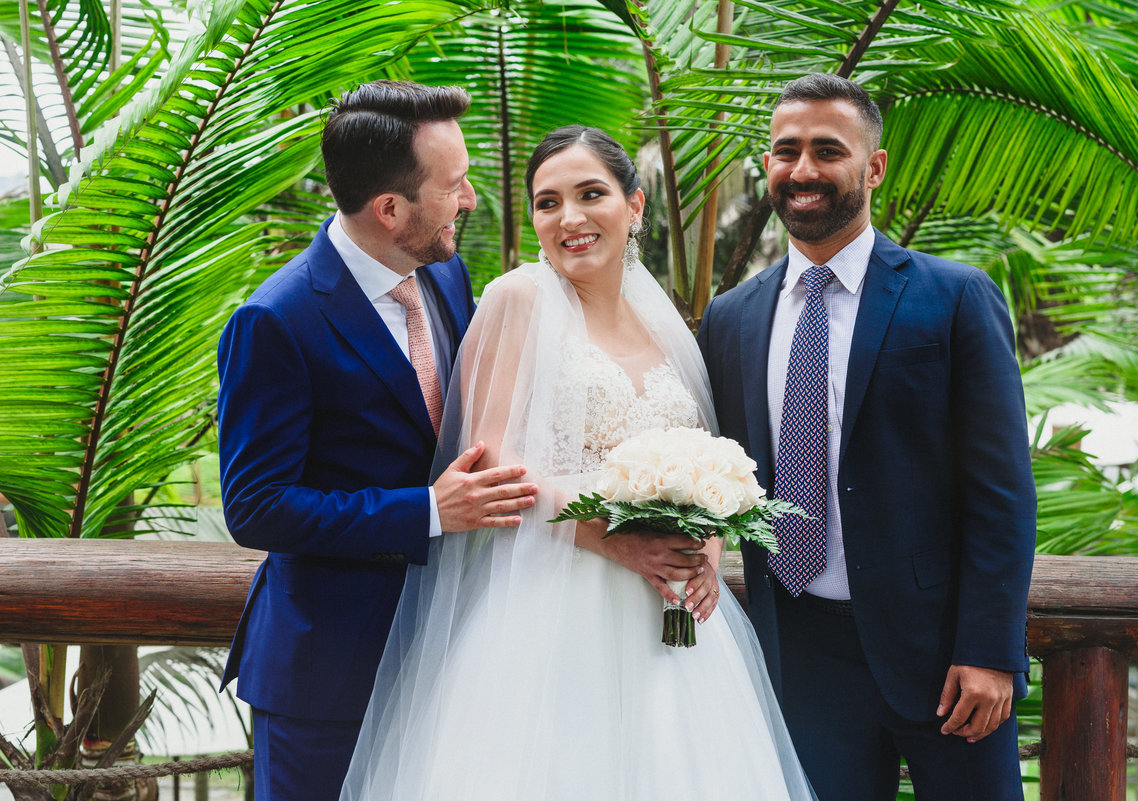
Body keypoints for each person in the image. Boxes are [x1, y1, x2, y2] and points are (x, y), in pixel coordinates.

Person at [339, 126, 817, 801]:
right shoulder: (518, 299)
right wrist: (613, 537)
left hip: (672, 619)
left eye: (591, 194)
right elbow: (494, 463)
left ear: (635, 205)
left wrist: (705, 555)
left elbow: (708, 461)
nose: (569, 218)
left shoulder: (667, 326)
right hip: (551, 606)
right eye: (548, 202)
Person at [698, 73, 1037, 800]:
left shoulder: (955, 295)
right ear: (768, 163)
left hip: (945, 657)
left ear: (874, 167)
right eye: (786, 151)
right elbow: (722, 478)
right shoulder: (730, 318)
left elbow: (1002, 492)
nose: (803, 169)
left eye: (828, 150)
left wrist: (989, 650)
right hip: (801, 658)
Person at [216, 80, 538, 801]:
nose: (470, 200)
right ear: (390, 209)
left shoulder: (446, 275)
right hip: (326, 675)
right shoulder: (274, 320)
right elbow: (257, 507)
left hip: (448, 653)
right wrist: (426, 510)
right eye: (453, 186)